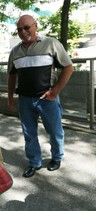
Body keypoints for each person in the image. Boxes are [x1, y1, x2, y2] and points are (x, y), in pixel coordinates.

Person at [7, 15, 74, 178]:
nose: (23, 32)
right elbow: (11, 75)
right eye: (19, 29)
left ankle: (56, 158)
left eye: (26, 27)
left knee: (54, 131)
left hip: (47, 99)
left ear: (35, 26)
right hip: (24, 99)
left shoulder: (51, 43)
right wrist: (10, 98)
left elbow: (68, 67)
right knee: (29, 134)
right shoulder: (15, 52)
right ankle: (34, 162)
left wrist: (55, 91)